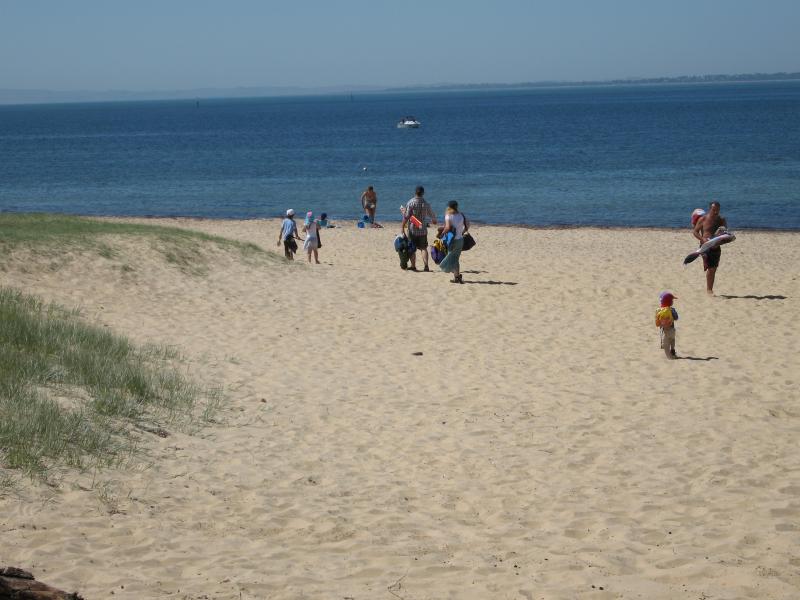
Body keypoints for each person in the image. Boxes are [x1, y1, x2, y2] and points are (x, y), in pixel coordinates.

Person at [692, 200, 728, 295]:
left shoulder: (721, 220)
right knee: (711, 269)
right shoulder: (703, 219)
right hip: (705, 246)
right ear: (710, 209)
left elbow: (725, 234)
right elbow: (695, 232)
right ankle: (709, 290)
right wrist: (702, 239)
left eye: (717, 210)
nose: (716, 212)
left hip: (716, 246)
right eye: (714, 210)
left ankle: (710, 288)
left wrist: (721, 240)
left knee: (714, 268)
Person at [401, 186, 437, 271]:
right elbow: (433, 216)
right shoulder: (426, 203)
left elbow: (406, 217)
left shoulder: (411, 202)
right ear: (423, 193)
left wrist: (402, 226)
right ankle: (426, 266)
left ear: (415, 192)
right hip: (423, 229)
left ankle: (413, 266)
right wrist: (434, 220)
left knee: (412, 248)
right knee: (423, 248)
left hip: (412, 229)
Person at [439, 200, 469, 283]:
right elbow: (467, 225)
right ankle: (457, 276)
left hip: (452, 240)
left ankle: (456, 276)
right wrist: (462, 232)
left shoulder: (448, 216)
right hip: (460, 240)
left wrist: (442, 234)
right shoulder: (461, 215)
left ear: (449, 207)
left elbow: (448, 227)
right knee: (456, 258)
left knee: (453, 258)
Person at [655, 291, 679, 359]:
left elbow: (657, 321)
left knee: (665, 343)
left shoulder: (659, 310)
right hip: (672, 329)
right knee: (672, 340)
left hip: (664, 330)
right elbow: (676, 318)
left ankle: (667, 353)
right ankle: (673, 351)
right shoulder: (672, 309)